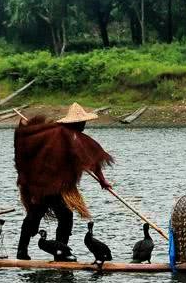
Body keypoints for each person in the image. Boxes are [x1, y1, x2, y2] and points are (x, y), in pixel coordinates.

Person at [13, 103, 113, 260]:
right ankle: (61, 253)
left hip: (39, 185)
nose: (84, 125)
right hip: (51, 185)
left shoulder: (52, 132)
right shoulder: (72, 137)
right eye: (83, 123)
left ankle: (22, 251)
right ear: (77, 123)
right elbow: (93, 159)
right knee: (65, 216)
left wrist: (102, 181)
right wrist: (102, 181)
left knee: (35, 213)